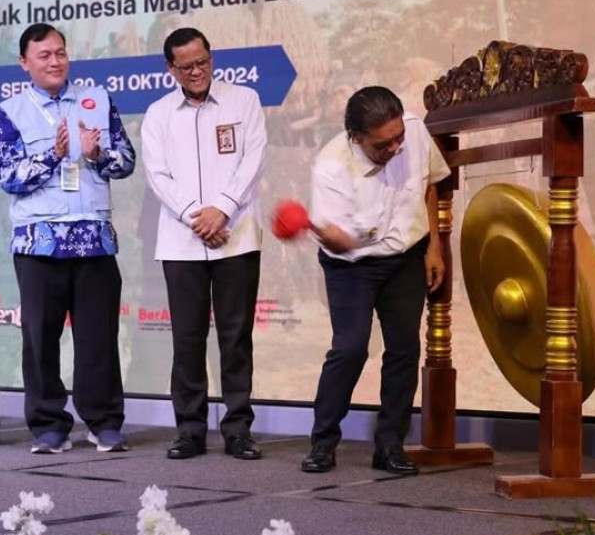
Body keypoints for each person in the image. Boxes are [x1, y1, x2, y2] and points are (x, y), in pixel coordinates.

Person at [0, 23, 135, 454]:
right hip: (39, 243)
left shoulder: (97, 101)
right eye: (43, 56)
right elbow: (9, 177)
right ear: (24, 63)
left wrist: (95, 154)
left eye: (60, 53)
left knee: (99, 337)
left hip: (93, 239)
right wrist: (53, 154)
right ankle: (49, 425)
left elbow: (125, 161)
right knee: (40, 338)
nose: (54, 62)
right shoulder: (10, 111)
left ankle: (104, 420)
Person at [301, 86, 450, 475]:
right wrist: (339, 236)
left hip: (406, 257)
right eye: (383, 145)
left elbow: (431, 184)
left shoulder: (414, 131)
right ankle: (322, 442)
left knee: (404, 350)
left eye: (398, 137)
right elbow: (338, 239)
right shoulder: (331, 168)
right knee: (350, 349)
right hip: (352, 264)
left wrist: (434, 246)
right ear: (356, 137)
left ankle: (389, 446)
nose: (396, 148)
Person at [141, 27, 268, 461]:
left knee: (236, 337)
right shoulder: (158, 114)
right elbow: (158, 175)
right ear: (170, 69)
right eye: (187, 66)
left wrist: (223, 210)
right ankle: (190, 429)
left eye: (203, 62)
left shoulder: (243, 100)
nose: (197, 72)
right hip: (182, 241)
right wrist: (197, 215)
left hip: (236, 235)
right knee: (187, 338)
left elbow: (253, 159)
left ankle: (237, 429)